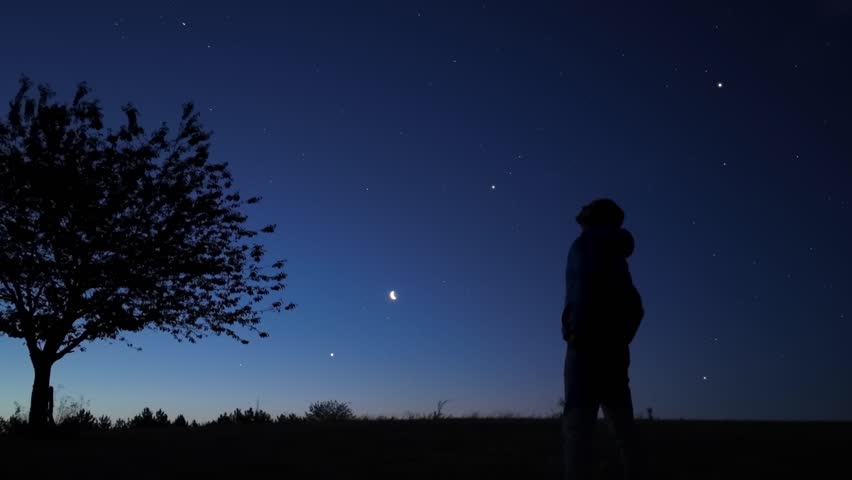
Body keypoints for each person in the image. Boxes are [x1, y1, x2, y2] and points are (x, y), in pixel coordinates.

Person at [561, 198, 645, 479]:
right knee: (619, 423)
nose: (581, 210)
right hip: (602, 346)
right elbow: (632, 305)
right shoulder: (598, 248)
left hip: (587, 348)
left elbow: (632, 305)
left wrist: (581, 332)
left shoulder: (592, 246)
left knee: (580, 427)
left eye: (588, 209)